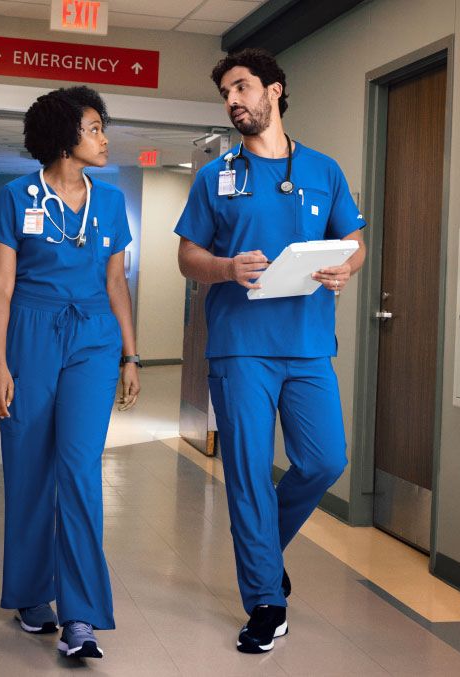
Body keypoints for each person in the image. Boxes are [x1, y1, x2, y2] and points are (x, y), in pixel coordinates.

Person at [174, 48, 366, 654]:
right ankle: (264, 598)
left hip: (308, 344)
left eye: (242, 87)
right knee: (250, 475)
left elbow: (353, 241)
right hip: (240, 347)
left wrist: (345, 268)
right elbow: (187, 257)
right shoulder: (216, 177)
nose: (233, 101)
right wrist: (227, 267)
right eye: (226, 93)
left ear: (274, 92)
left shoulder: (324, 170)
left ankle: (261, 553)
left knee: (324, 461)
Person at [0, 85, 141, 660]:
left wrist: (130, 353)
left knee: (78, 470)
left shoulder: (112, 200)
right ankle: (30, 593)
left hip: (93, 338)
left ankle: (80, 616)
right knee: (28, 467)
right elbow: (0, 286)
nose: (104, 138)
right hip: (30, 333)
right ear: (65, 137)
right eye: (95, 127)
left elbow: (116, 282)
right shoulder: (13, 196)